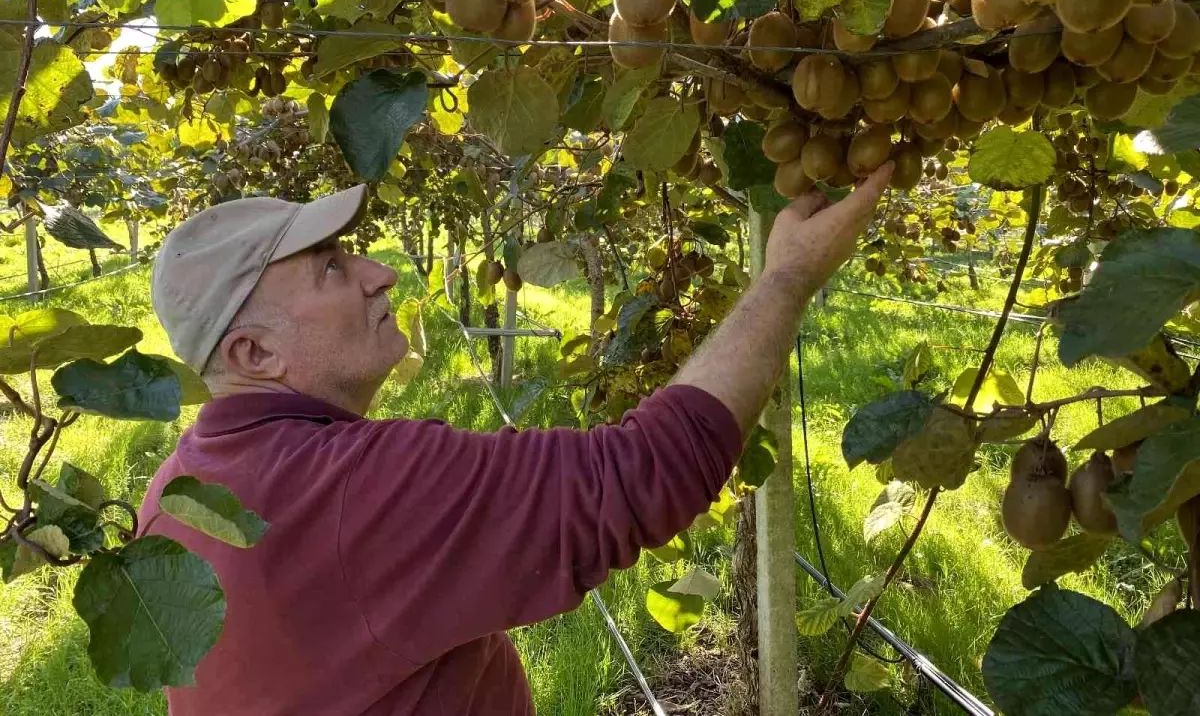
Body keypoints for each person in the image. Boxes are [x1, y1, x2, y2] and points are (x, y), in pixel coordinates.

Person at [137, 163, 892, 715]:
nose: (381, 273)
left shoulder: (179, 490)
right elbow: (642, 474)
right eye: (332, 268)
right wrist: (788, 276)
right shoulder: (351, 490)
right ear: (254, 356)